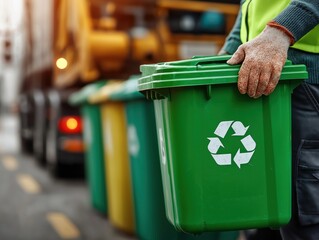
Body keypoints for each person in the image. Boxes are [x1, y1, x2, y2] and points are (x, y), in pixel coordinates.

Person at [219, 0, 319, 239]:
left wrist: (282, 30)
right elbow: (251, 8)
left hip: (302, 82)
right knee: (259, 214)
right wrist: (227, 53)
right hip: (262, 74)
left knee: (303, 217)